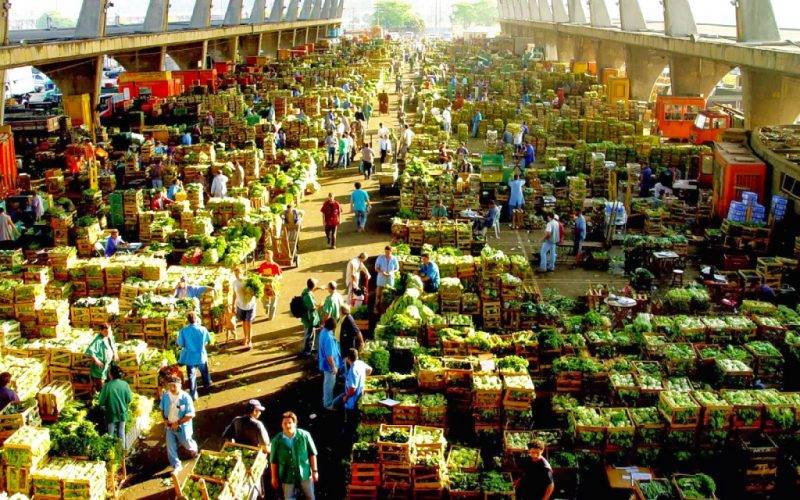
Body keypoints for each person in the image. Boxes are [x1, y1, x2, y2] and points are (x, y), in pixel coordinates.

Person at [270, 411, 318, 500]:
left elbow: (312, 454)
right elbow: (273, 461)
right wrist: (274, 477)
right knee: (288, 498)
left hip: (305, 473)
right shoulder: (276, 440)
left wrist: (315, 471)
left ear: (295, 423)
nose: (287, 425)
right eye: (285, 423)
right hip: (286, 475)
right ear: (281, 424)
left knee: (311, 497)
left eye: (290, 423)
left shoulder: (305, 435)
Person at [160, 376, 198, 473]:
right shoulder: (165, 396)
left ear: (180, 386)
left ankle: (194, 449)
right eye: (170, 386)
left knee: (186, 442)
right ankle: (176, 465)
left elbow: (191, 414)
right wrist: (165, 420)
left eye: (174, 386)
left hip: (182, 427)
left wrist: (178, 423)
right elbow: (162, 409)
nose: (172, 388)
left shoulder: (185, 397)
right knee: (170, 446)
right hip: (169, 426)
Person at [335, 349, 372, 433]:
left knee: (351, 419)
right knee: (357, 416)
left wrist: (346, 397)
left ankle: (350, 433)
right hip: (360, 395)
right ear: (357, 356)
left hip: (352, 400)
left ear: (348, 358)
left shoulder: (353, 370)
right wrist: (362, 378)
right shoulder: (360, 363)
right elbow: (370, 369)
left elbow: (352, 389)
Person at [177, 311, 212, 400]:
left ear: (188, 320)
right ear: (196, 319)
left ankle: (193, 394)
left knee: (191, 376)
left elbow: (180, 343)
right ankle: (207, 387)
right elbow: (208, 341)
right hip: (201, 356)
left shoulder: (183, 331)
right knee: (204, 372)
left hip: (190, 357)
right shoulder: (203, 329)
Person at [97, 365, 133, 448]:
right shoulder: (125, 384)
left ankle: (111, 450)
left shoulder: (107, 386)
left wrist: (104, 406)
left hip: (111, 413)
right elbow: (129, 399)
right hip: (122, 412)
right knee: (121, 432)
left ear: (111, 374)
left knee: (110, 433)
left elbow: (101, 402)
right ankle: (122, 450)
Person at [84, 323, 117, 392]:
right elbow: (90, 350)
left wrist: (115, 353)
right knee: (100, 385)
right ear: (101, 331)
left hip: (107, 366)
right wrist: (97, 361)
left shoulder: (108, 337)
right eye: (105, 331)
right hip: (100, 367)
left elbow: (113, 345)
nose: (107, 333)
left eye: (109, 331)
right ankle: (100, 395)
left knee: (109, 382)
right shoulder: (98, 340)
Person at [318, 317, 341, 410]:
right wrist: (334, 367)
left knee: (327, 383)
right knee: (329, 384)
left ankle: (326, 399)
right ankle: (328, 404)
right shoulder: (328, 338)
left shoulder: (324, 332)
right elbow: (329, 356)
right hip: (329, 366)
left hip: (325, 363)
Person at [233, 267, 257, 349]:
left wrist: (252, 293)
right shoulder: (234, 283)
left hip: (250, 306)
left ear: (242, 273)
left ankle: (250, 341)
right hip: (240, 306)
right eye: (235, 274)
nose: (237, 276)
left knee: (249, 323)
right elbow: (234, 294)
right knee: (243, 322)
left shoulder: (248, 281)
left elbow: (255, 292)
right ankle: (245, 337)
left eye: (238, 274)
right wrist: (233, 305)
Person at [300, 278, 321, 358]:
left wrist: (319, 288)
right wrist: (320, 305)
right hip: (309, 319)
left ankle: (308, 349)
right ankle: (306, 352)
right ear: (313, 286)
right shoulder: (308, 296)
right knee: (309, 334)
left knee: (309, 333)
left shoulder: (305, 290)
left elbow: (311, 290)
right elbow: (312, 308)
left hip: (306, 318)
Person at [257, 250, 282, 319]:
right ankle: (267, 307)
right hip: (264, 287)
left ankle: (271, 316)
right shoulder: (262, 265)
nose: (267, 257)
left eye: (268, 256)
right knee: (264, 302)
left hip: (273, 287)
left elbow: (280, 276)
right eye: (266, 256)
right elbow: (259, 274)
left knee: (273, 304)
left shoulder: (275, 266)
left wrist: (276, 278)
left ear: (272, 256)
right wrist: (258, 277)